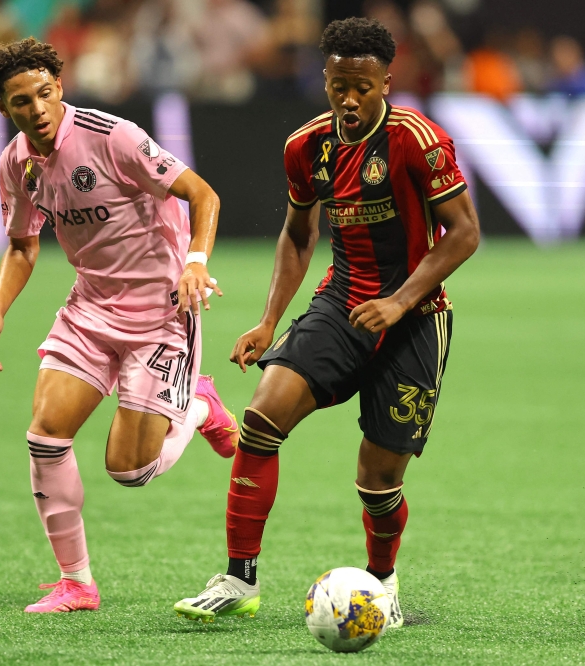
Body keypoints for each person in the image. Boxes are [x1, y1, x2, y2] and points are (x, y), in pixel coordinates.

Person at [174, 17, 480, 625]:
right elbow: (297, 235)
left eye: (362, 88)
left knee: (378, 480)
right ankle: (238, 580)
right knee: (261, 419)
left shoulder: (417, 139)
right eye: (339, 86)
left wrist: (400, 301)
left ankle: (383, 582)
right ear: (325, 79)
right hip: (342, 304)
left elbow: (464, 232)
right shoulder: (306, 145)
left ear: (385, 82)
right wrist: (269, 321)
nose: (349, 100)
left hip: (415, 317)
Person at [0, 38, 240, 614]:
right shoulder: (16, 163)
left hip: (162, 312)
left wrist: (195, 262)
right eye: (21, 102)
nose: (37, 109)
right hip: (90, 310)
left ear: (59, 87)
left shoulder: (111, 136)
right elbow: (22, 245)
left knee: (131, 471)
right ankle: (76, 584)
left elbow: (202, 194)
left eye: (45, 93)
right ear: (3, 108)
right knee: (45, 436)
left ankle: (199, 406)